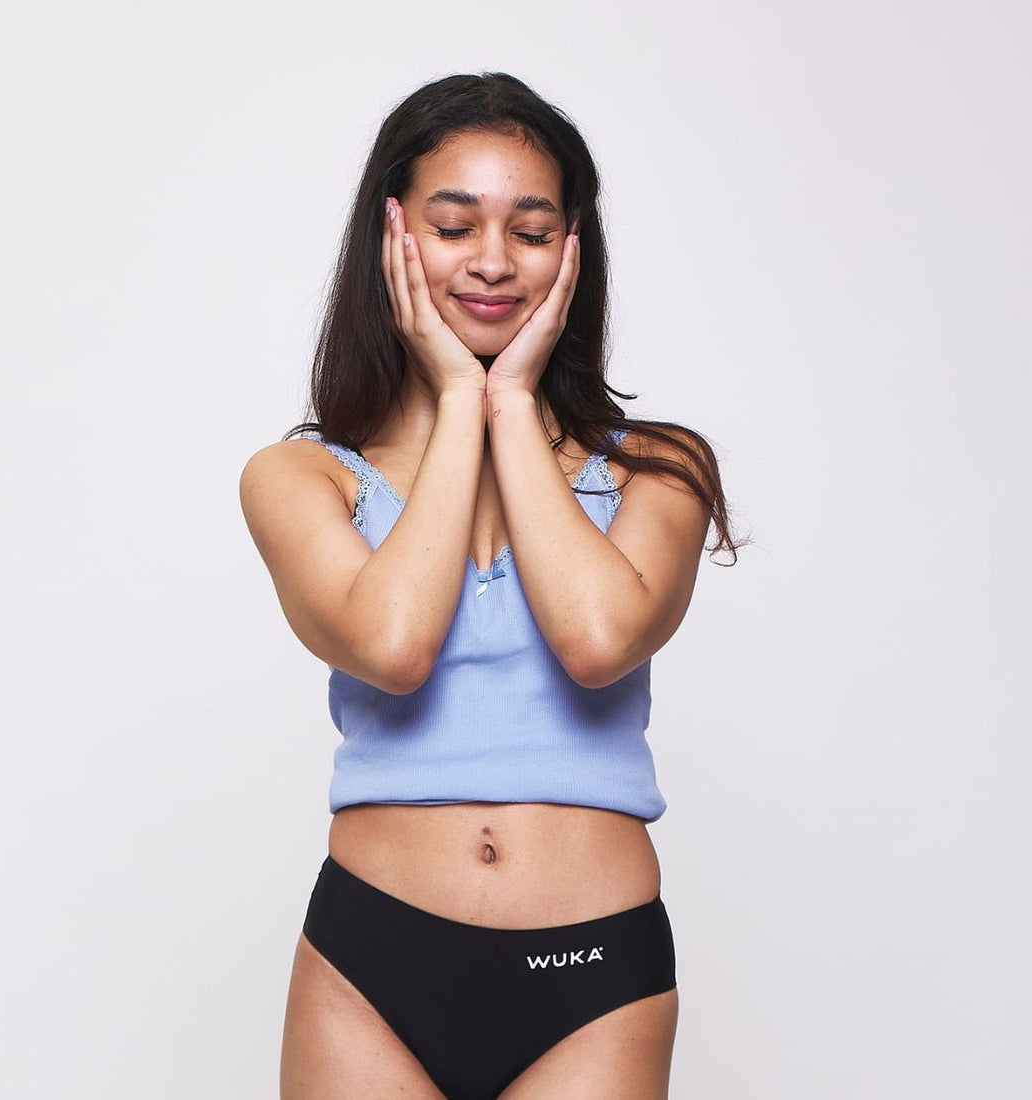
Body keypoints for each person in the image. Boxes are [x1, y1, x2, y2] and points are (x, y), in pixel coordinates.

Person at [240, 71, 741, 1100]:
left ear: (572, 248)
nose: (491, 261)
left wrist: (508, 397)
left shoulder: (658, 467)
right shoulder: (302, 476)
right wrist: (459, 402)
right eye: (453, 223)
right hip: (367, 963)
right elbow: (391, 644)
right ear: (394, 237)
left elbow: (599, 637)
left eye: (530, 227)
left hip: (591, 969)